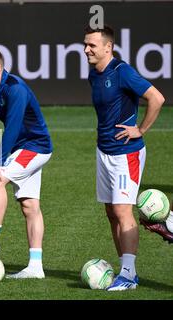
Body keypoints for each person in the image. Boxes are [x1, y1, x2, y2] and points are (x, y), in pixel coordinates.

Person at [83, 25, 165, 291]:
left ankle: (128, 275)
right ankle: (126, 270)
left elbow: (157, 98)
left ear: (108, 48)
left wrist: (140, 129)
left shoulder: (123, 72)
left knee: (122, 210)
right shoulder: (94, 74)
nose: (86, 50)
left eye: (92, 45)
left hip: (125, 154)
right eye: (85, 44)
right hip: (103, 150)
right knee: (110, 212)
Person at [0, 47, 53, 280]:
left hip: (36, 147)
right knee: (29, 206)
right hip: (21, 149)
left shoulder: (15, 89)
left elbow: (13, 128)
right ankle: (35, 266)